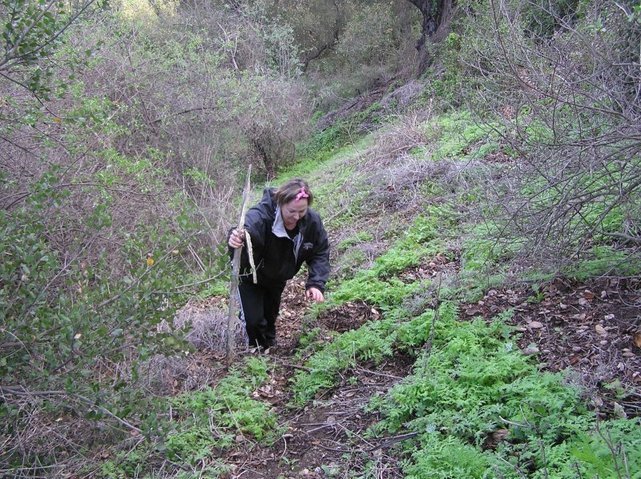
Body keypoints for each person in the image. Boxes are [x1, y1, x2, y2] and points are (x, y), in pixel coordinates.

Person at [228, 178, 330, 350]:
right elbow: (246, 228)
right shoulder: (261, 215)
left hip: (278, 275)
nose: (296, 217)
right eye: (291, 211)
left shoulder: (311, 222)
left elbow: (320, 252)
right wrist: (235, 236)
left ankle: (269, 345)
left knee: (270, 315)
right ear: (280, 203)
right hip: (250, 276)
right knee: (253, 320)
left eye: (302, 211)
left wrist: (316, 283)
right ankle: (257, 350)